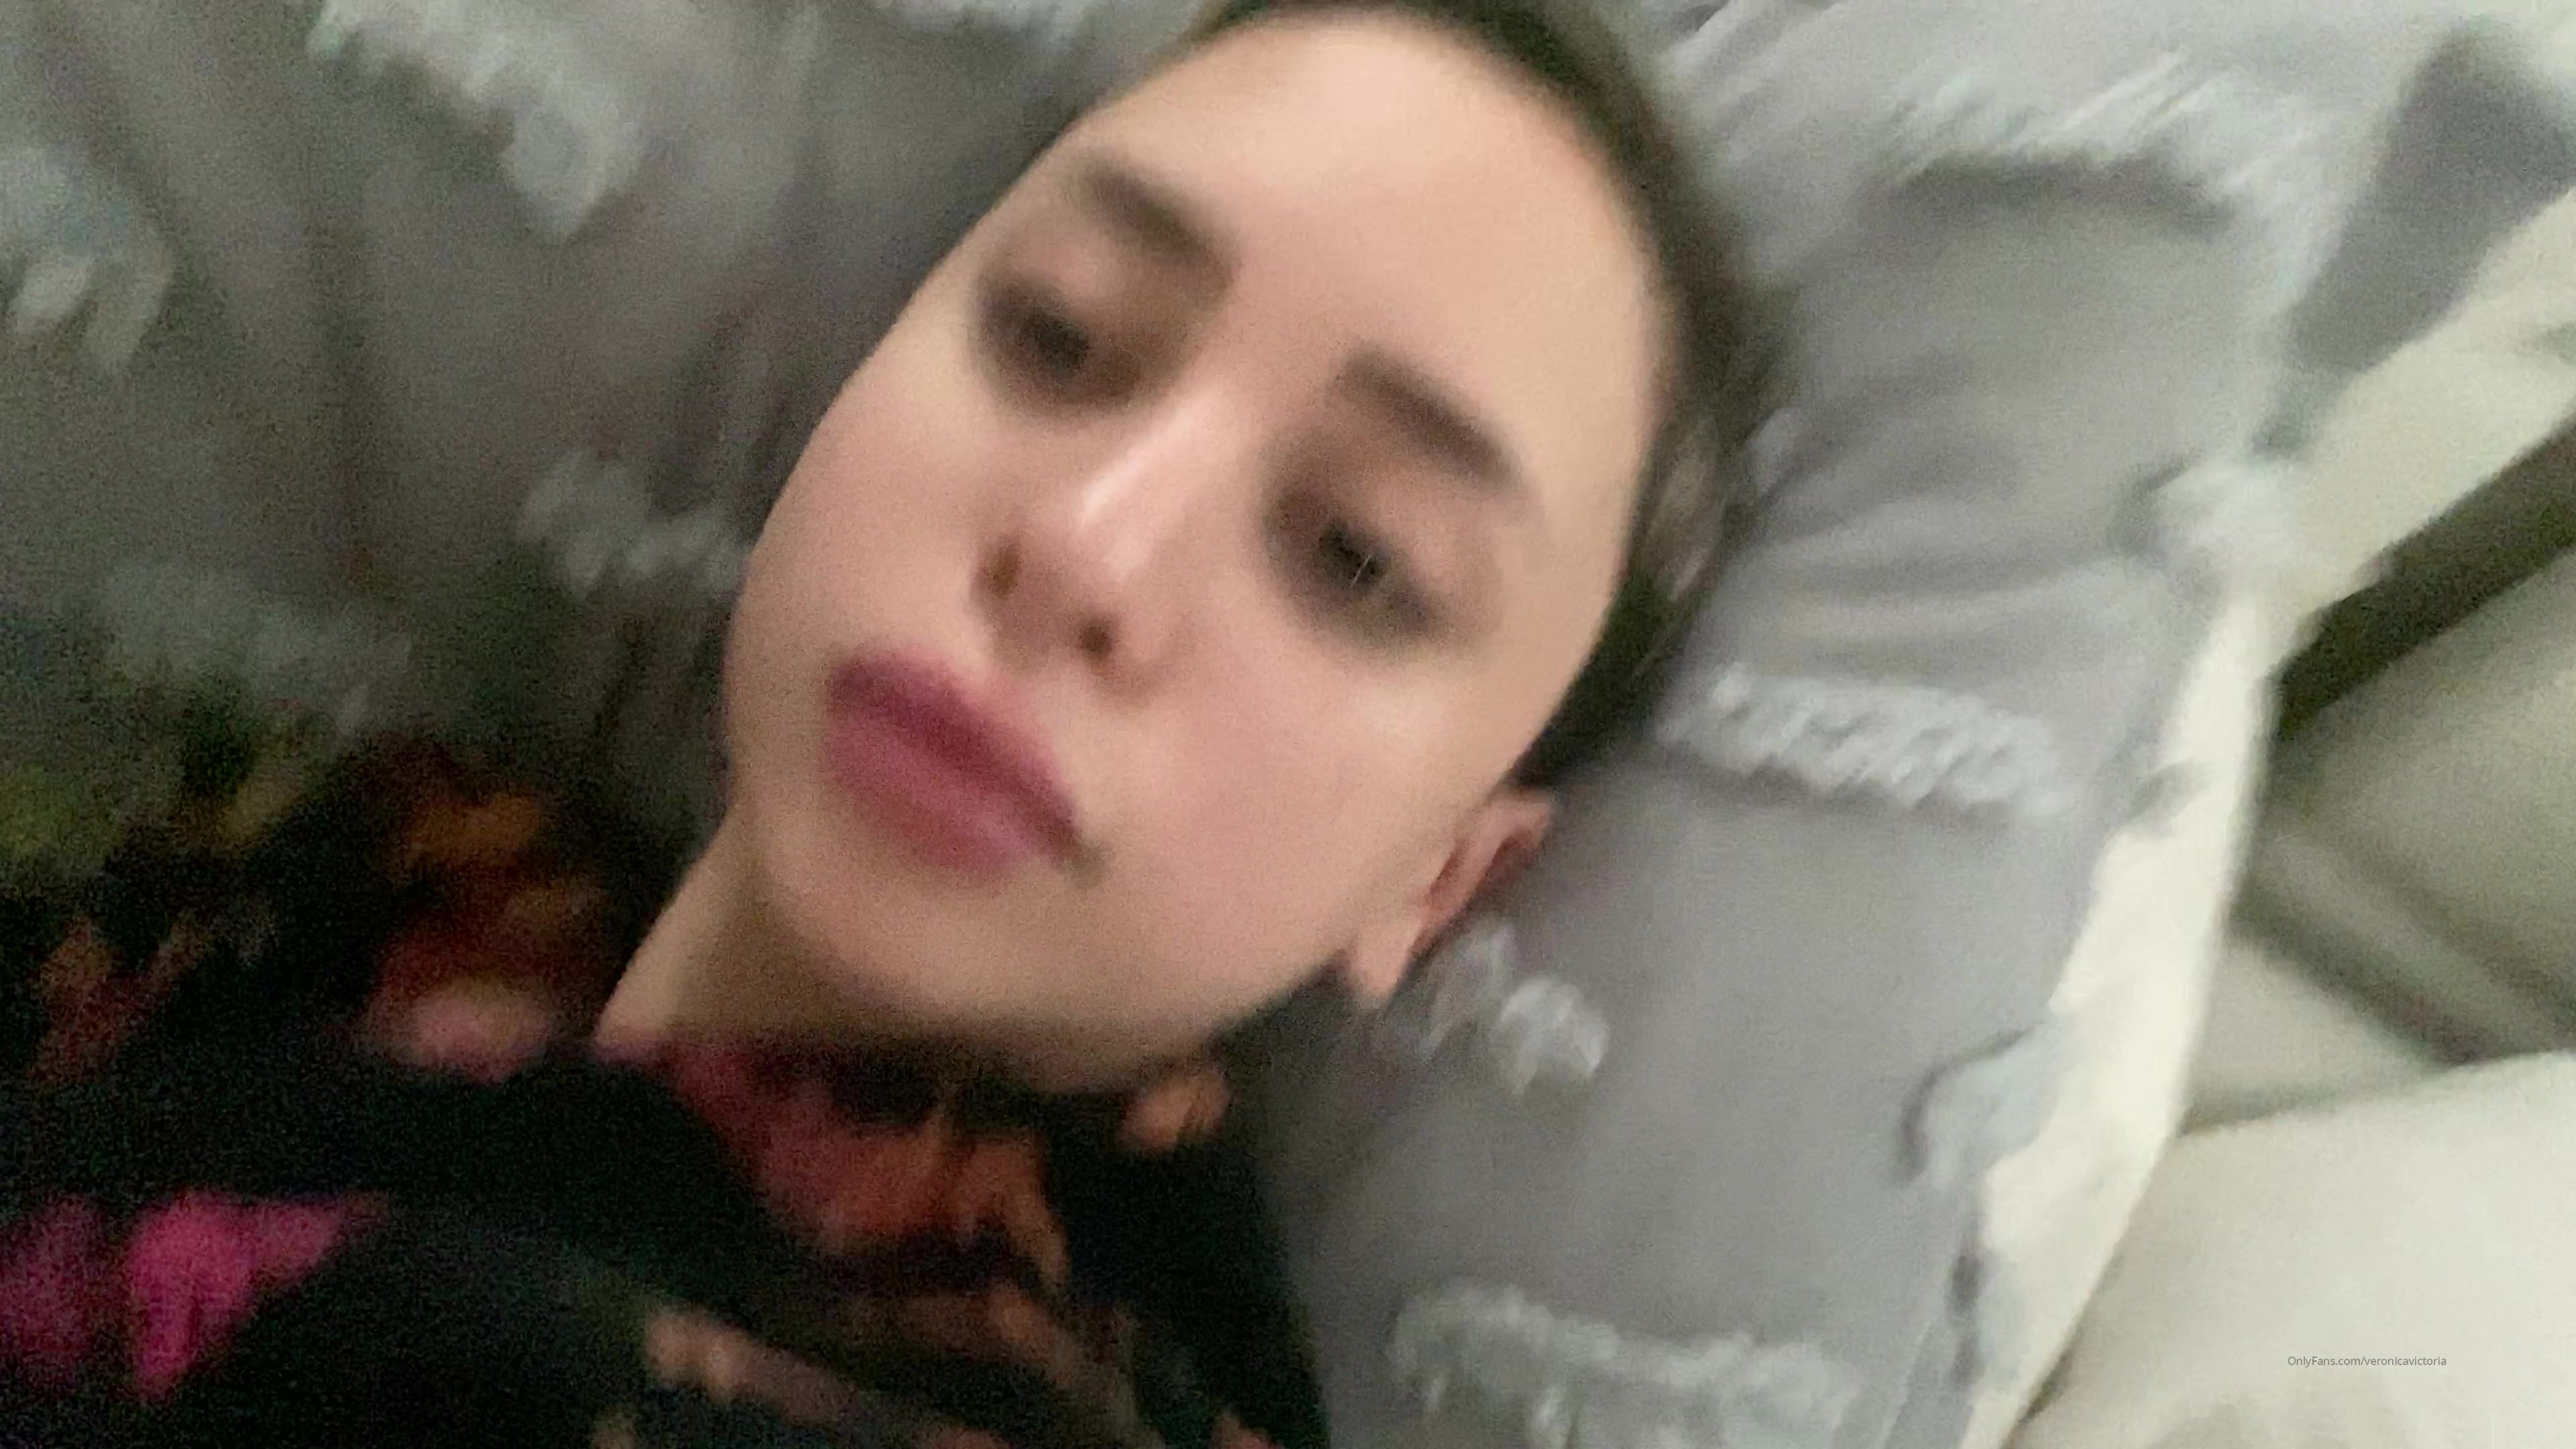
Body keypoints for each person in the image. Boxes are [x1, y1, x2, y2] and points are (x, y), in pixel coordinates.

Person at [0, 1, 1752, 1445]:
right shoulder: (410, 854)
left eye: (1357, 557)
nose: (1086, 547)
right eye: (1059, 338)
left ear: (1437, 882)